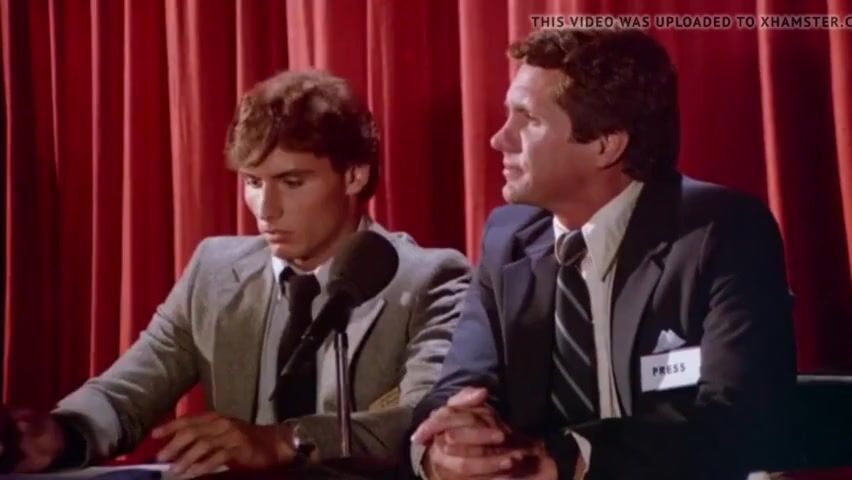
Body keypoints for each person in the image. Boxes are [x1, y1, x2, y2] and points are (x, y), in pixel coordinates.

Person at [0, 70, 470, 477]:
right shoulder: (214, 270)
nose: (266, 209)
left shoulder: (431, 279)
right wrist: (63, 433)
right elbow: (132, 388)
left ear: (354, 176)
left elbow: (425, 421)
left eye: (292, 182)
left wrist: (283, 441)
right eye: (252, 182)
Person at [410, 28, 796, 480]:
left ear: (605, 144)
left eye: (528, 119)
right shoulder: (508, 238)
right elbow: (460, 386)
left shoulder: (721, 232)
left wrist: (569, 458)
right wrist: (448, 443)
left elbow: (736, 416)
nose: (499, 139)